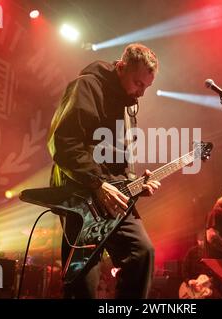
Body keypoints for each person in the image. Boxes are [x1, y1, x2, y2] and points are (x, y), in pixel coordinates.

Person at [47, 43, 161, 299]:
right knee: (83, 277)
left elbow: (117, 157)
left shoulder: (127, 103)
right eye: (138, 83)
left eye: (146, 87)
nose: (141, 93)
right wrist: (97, 184)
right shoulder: (87, 86)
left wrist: (133, 184)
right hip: (81, 192)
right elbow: (64, 144)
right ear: (121, 67)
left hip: (113, 193)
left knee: (142, 253)